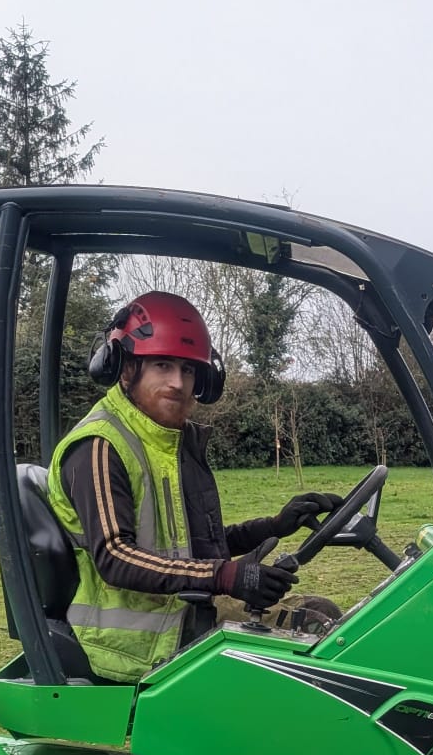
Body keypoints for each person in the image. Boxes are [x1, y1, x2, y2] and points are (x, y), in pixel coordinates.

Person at [46, 291, 342, 683]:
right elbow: (116, 557)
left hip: (180, 612)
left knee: (326, 614)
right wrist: (226, 577)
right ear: (125, 368)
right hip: (138, 641)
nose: (177, 383)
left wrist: (272, 525)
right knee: (320, 632)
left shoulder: (167, 441)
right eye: (163, 365)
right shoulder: (102, 445)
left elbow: (195, 546)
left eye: (187, 370)